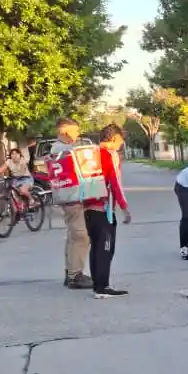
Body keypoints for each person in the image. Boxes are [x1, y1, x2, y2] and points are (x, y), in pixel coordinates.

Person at [83, 124, 130, 298]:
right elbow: (115, 182)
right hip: (104, 208)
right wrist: (124, 207)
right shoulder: (110, 155)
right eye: (120, 142)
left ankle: (97, 284)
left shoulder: (91, 153)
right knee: (105, 247)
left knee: (95, 246)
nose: (120, 145)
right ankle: (103, 287)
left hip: (87, 206)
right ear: (114, 138)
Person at [52, 118, 94, 289]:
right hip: (71, 197)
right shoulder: (66, 150)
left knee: (73, 235)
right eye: (75, 131)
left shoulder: (58, 149)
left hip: (67, 196)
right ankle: (75, 275)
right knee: (81, 236)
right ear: (64, 131)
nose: (77, 134)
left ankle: (70, 272)